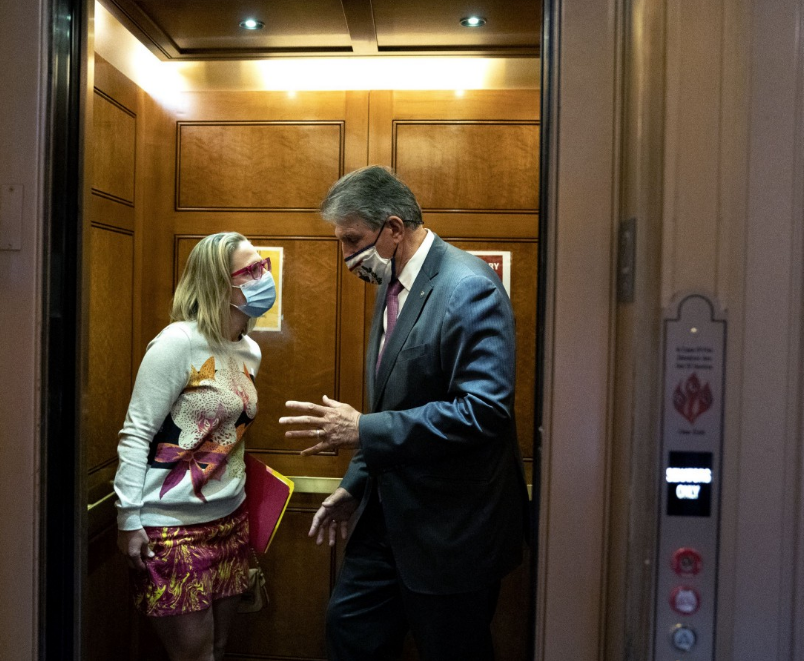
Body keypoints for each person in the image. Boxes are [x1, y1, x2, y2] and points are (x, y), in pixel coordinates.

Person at [279, 166, 528, 660]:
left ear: (393, 228)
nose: (347, 256)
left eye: (352, 240)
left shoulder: (467, 286)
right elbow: (396, 405)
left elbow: (484, 411)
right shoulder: (392, 284)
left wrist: (360, 429)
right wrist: (354, 483)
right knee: (349, 631)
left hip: (451, 531)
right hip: (387, 520)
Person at [114, 232, 276, 661]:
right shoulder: (177, 343)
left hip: (229, 520)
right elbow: (137, 432)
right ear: (217, 284)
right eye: (252, 271)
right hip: (171, 527)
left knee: (220, 647)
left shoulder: (250, 350)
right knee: (194, 655)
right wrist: (128, 518)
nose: (264, 278)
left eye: (265, 267)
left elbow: (231, 432)